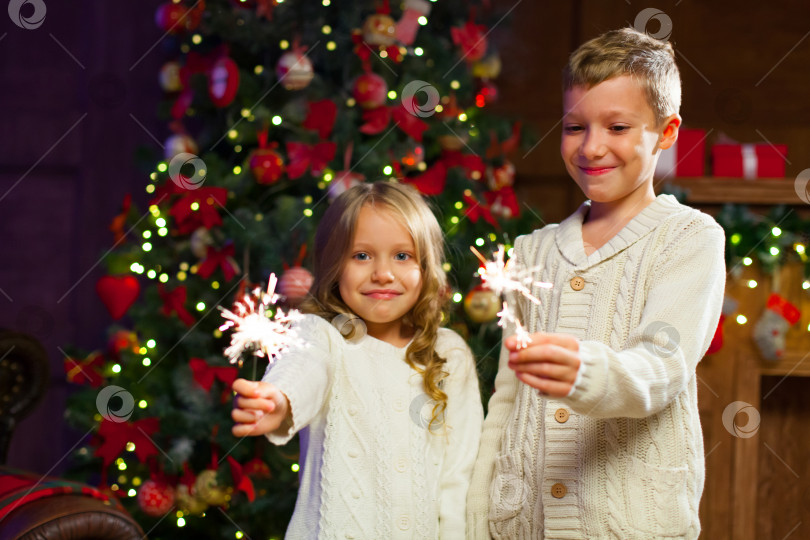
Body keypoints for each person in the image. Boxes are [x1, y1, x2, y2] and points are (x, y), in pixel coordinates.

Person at [466, 27, 725, 539]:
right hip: (521, 525)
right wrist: (475, 520)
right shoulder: (531, 251)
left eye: (618, 126)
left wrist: (587, 371)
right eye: (574, 126)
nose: (592, 147)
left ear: (667, 132)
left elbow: (662, 366)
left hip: (628, 524)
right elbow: (506, 399)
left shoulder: (689, 238)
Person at [232, 181, 483, 539]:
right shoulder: (322, 335)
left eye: (402, 255)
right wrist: (278, 400)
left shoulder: (449, 353)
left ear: (426, 267)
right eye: (362, 255)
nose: (383, 273)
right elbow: (302, 368)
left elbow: (459, 475)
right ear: (335, 265)